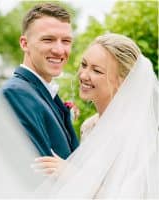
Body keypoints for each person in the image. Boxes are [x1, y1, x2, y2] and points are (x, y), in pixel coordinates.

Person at [33, 33, 158, 198]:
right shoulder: (89, 126)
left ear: (123, 81)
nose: (84, 75)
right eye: (84, 65)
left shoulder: (138, 137)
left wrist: (73, 176)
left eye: (97, 71)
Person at [0, 3, 79, 158]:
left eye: (66, 41)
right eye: (48, 40)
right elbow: (38, 171)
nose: (59, 50)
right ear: (24, 43)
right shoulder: (15, 93)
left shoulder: (42, 93)